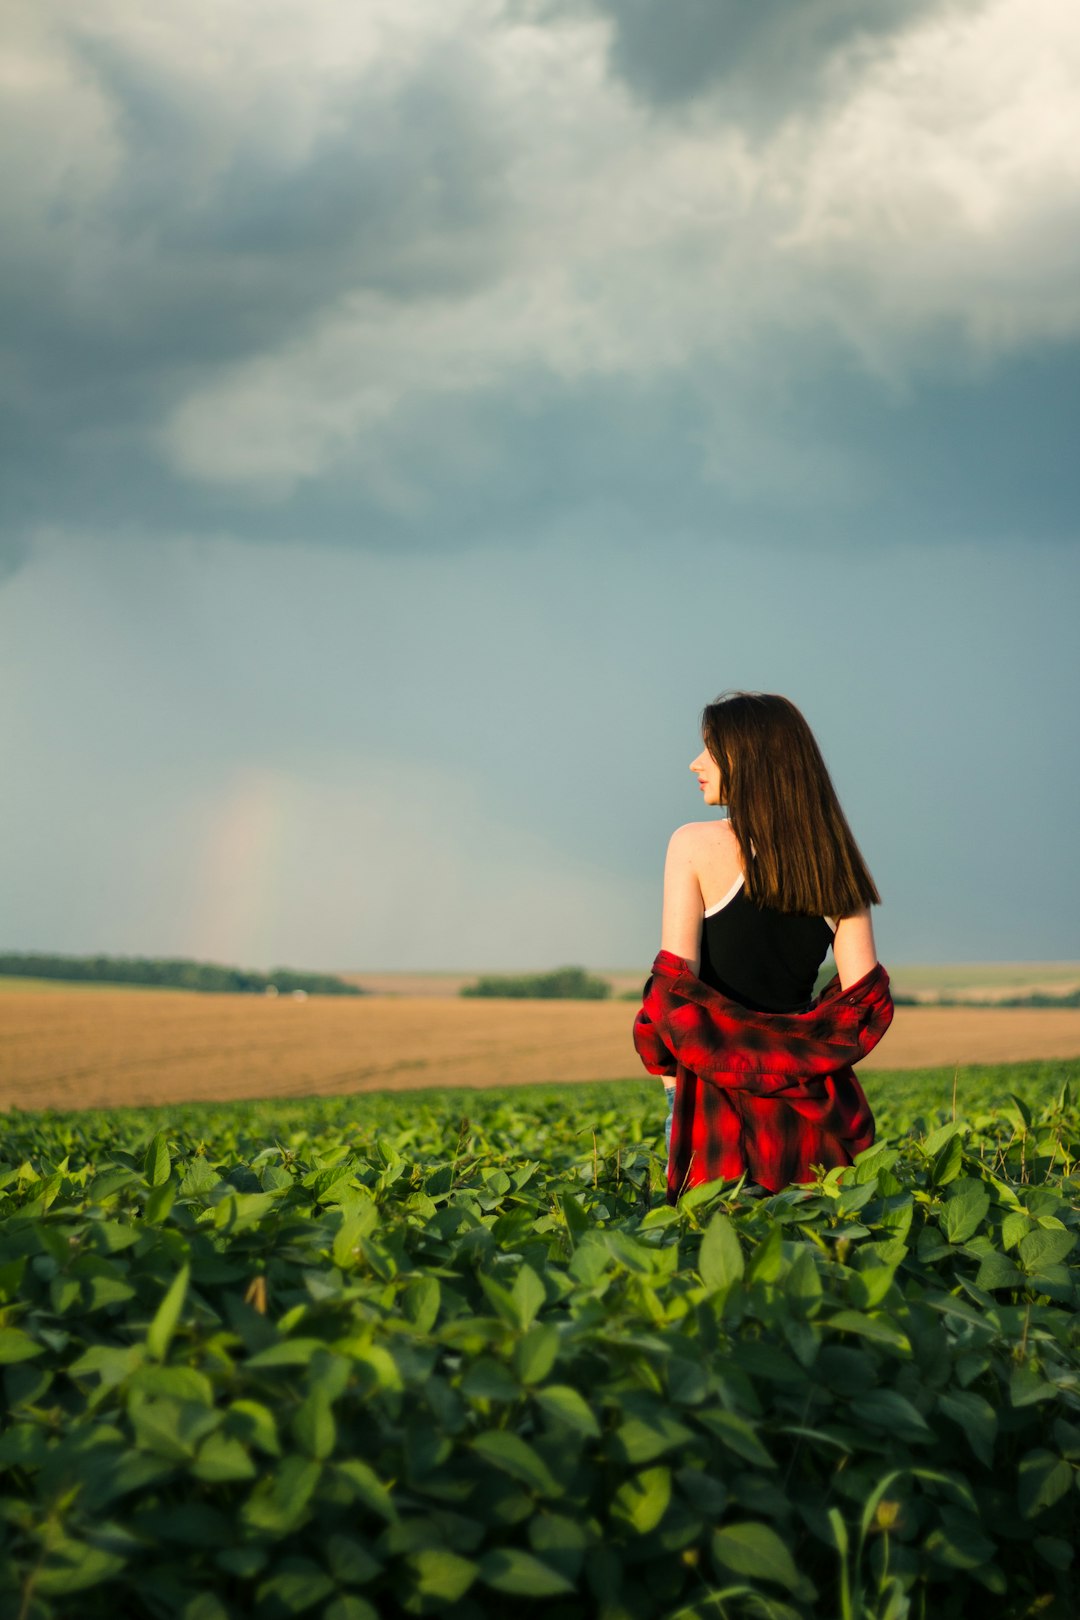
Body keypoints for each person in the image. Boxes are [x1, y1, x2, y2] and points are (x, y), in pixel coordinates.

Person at [635, 690, 893, 1200]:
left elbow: (672, 990)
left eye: (711, 749)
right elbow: (863, 1003)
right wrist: (794, 1054)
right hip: (813, 1107)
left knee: (710, 1259)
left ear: (750, 759)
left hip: (713, 1100)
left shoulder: (691, 844)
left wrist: (672, 1081)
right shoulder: (835, 860)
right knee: (817, 1261)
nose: (695, 763)